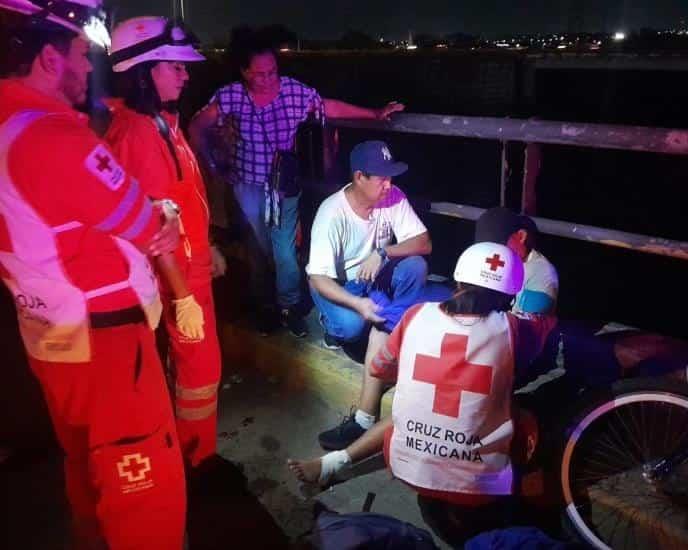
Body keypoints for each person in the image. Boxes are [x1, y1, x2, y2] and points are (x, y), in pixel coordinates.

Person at [0, 1, 186, 547]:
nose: (89, 70)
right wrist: (167, 213)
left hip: (51, 335)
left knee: (85, 469)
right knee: (142, 488)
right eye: (82, 55)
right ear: (49, 59)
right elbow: (147, 223)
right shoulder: (50, 135)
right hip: (107, 342)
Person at [289, 242, 536, 548]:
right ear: (510, 297)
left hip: (407, 469)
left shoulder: (417, 314)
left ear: (457, 283)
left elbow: (379, 368)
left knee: (412, 411)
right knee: (521, 416)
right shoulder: (514, 328)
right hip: (481, 488)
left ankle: (334, 462)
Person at [188, 27, 405, 337]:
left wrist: (373, 113)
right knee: (257, 248)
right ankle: (265, 306)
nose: (268, 79)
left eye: (272, 71)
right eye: (260, 74)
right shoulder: (230, 96)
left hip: (284, 185)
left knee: (286, 252)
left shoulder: (293, 91)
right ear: (244, 71)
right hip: (247, 185)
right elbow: (197, 126)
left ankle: (288, 306)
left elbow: (327, 106)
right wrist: (213, 164)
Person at [104, 16, 226, 471]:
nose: (185, 73)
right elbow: (156, 231)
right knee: (199, 372)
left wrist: (207, 244)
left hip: (188, 269)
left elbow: (182, 203)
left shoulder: (160, 124)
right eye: (174, 65)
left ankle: (190, 452)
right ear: (144, 71)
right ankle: (197, 463)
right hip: (178, 279)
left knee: (195, 371)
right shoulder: (139, 135)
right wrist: (183, 297)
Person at [308, 140, 432, 450]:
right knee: (350, 327)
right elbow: (318, 276)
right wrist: (357, 303)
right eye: (382, 178)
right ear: (359, 177)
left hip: (374, 276)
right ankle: (333, 326)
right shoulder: (331, 214)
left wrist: (383, 251)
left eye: (391, 177)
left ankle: (387, 329)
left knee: (415, 265)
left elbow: (424, 243)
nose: (389, 184)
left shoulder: (392, 197)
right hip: (339, 285)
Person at [474, 207, 559, 383]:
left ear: (521, 236)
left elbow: (525, 333)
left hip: (523, 354)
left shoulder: (541, 274)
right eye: (488, 248)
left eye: (499, 245)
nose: (493, 254)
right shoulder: (490, 260)